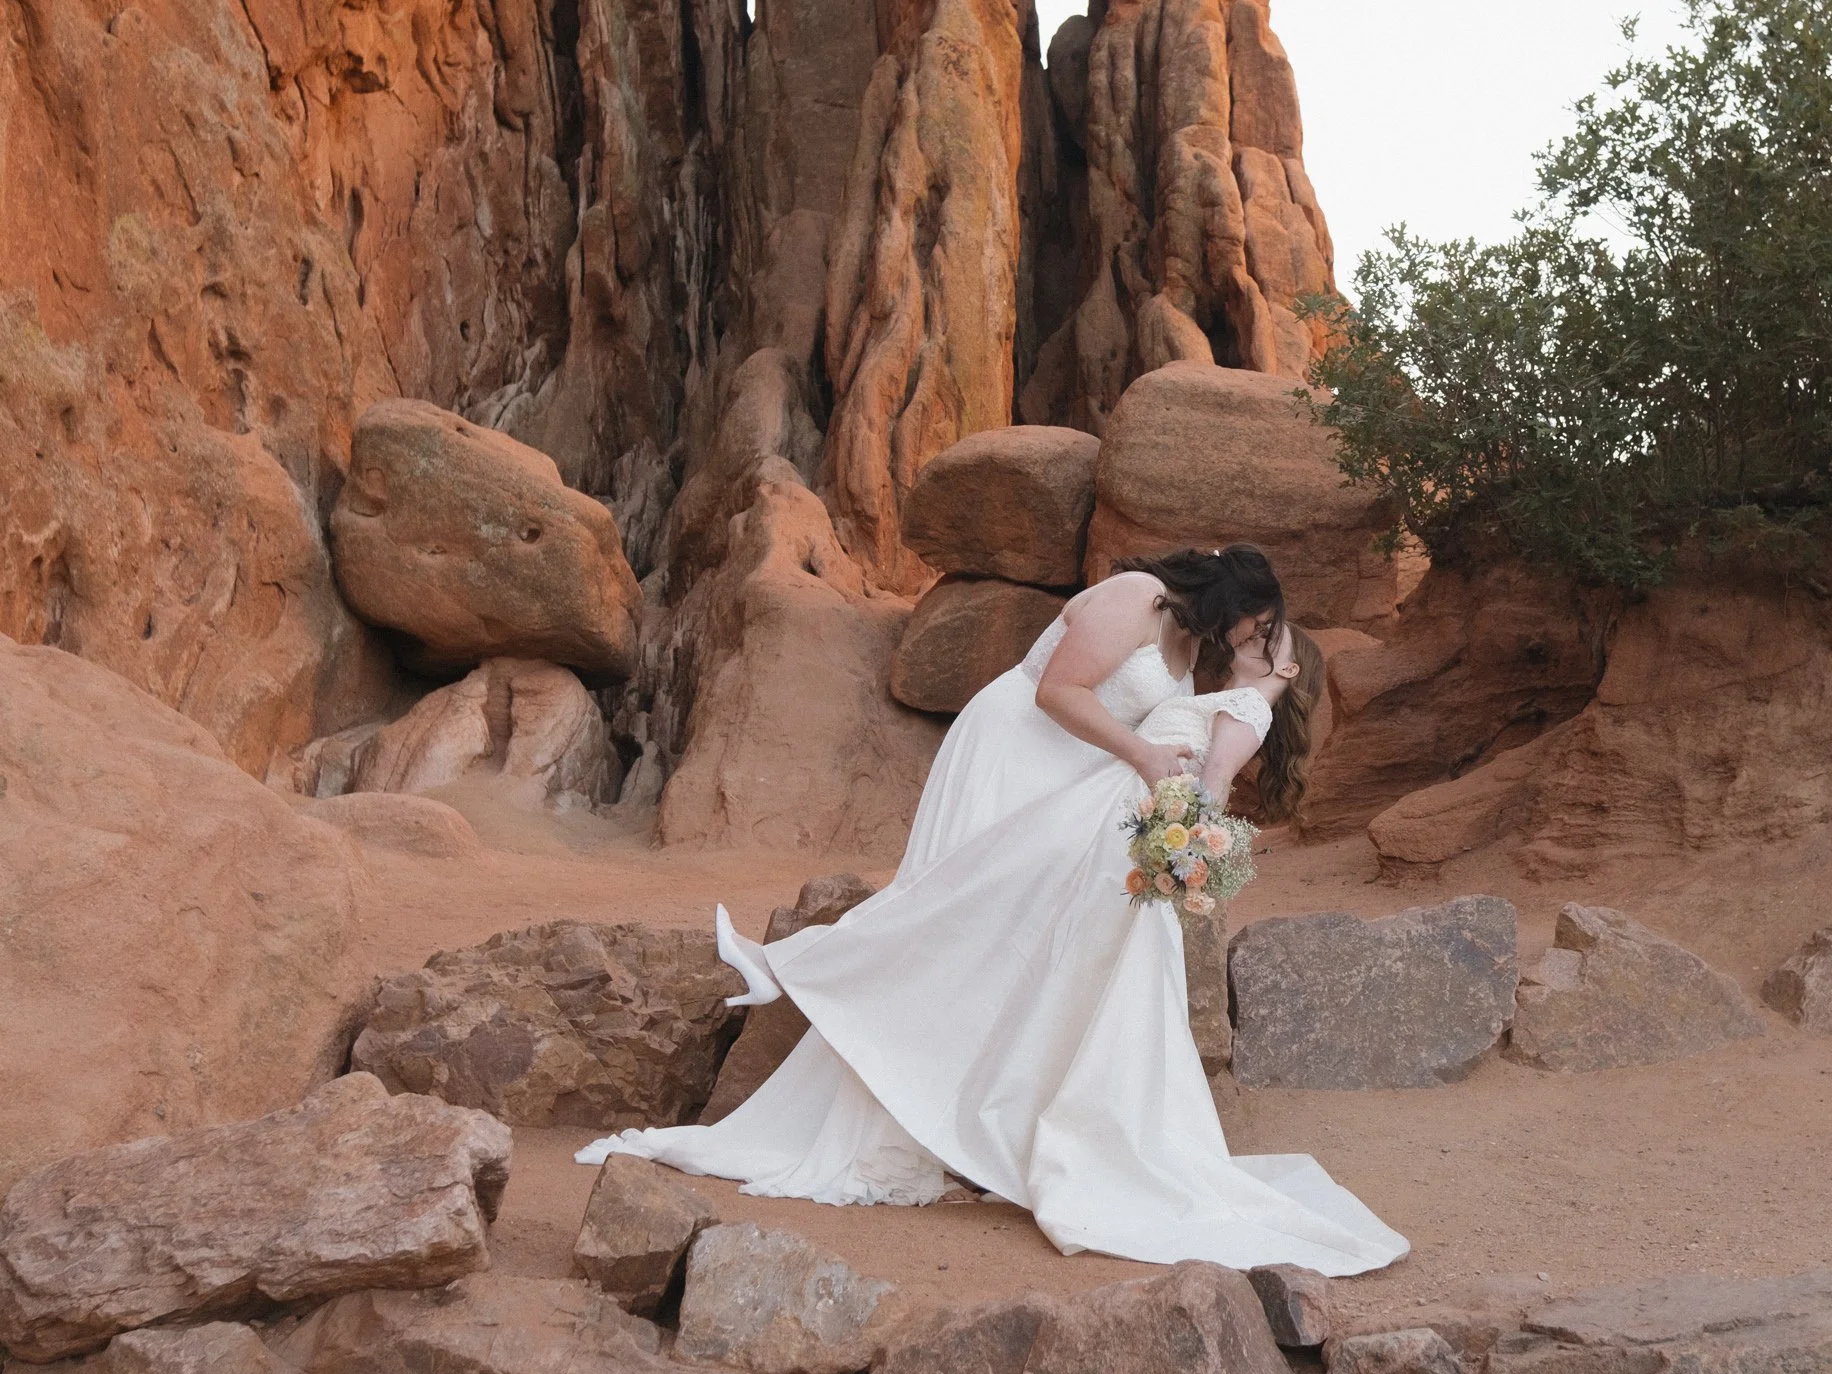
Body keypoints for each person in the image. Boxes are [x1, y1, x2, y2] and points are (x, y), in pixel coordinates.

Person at [579, 546, 1406, 1276]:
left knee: (995, 935)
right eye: (1250, 623)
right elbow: (1056, 690)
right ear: (1226, 598)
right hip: (1016, 747)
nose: (1246, 638)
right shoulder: (1139, 600)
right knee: (954, 913)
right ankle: (814, 978)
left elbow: (1198, 735)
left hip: (1077, 773)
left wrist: (1239, 703)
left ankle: (936, 1101)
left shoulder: (1191, 649)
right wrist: (1146, 756)